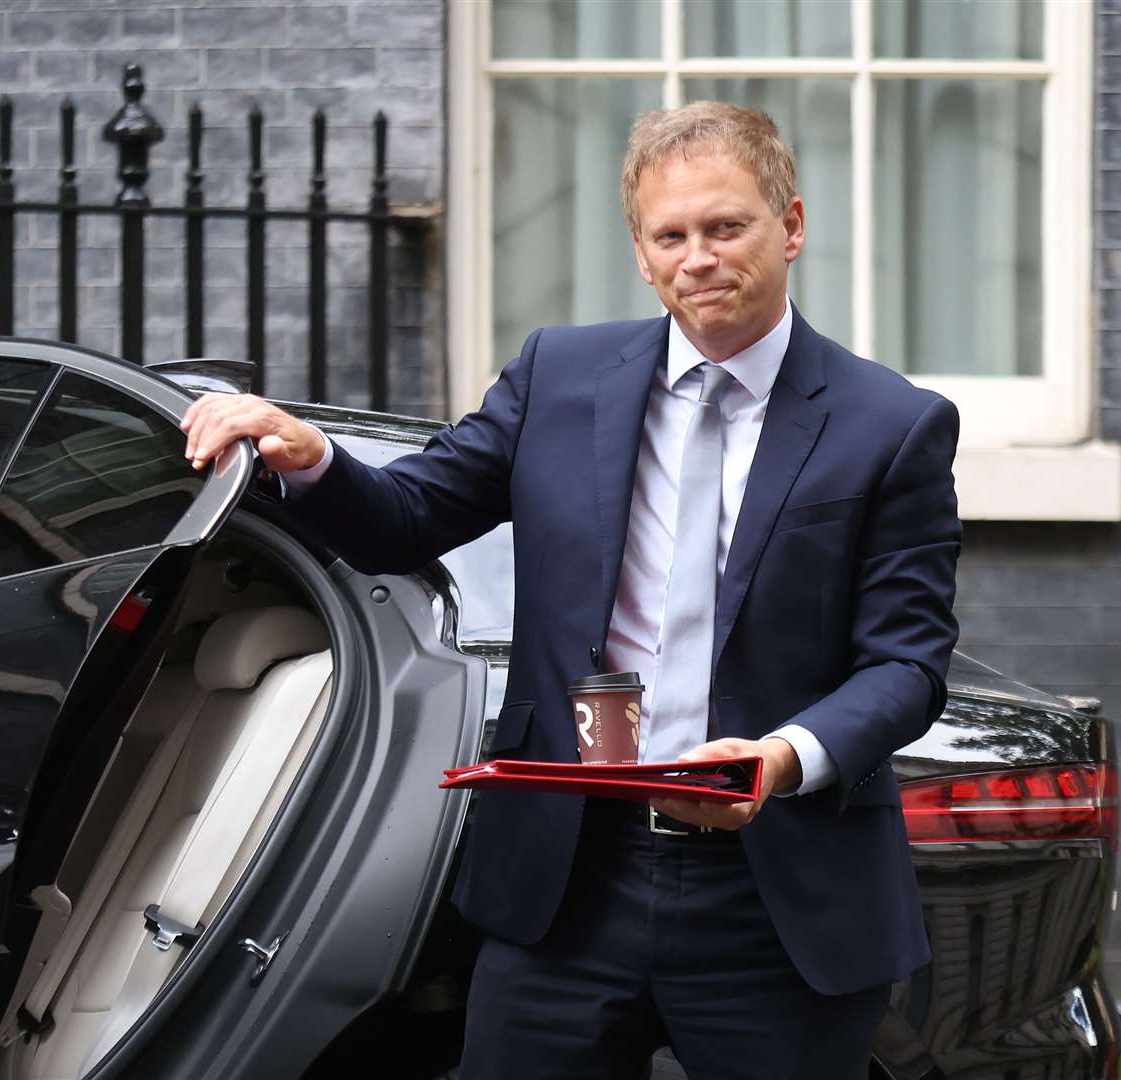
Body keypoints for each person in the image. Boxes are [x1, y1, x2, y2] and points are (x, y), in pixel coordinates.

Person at [180, 102, 961, 1080]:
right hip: (568, 883)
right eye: (670, 236)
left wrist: (780, 758)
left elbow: (906, 666)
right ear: (640, 253)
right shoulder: (560, 375)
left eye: (727, 227)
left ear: (791, 225)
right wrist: (311, 456)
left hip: (778, 899)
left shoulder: (891, 425)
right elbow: (407, 519)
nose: (699, 258)